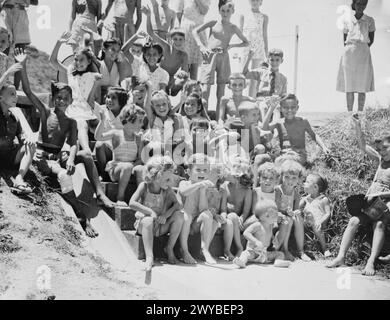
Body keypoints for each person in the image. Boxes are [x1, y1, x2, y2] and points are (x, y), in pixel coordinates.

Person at [18, 49, 115, 212]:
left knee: (85, 154)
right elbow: (28, 91)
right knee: (63, 175)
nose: (61, 101)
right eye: (58, 97)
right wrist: (22, 65)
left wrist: (71, 159)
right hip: (44, 156)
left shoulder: (71, 121)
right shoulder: (46, 112)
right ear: (53, 98)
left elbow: (73, 144)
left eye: (65, 98)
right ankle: (78, 210)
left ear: (71, 101)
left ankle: (99, 192)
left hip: (60, 156)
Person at [327, 115, 390, 276]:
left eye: (385, 148)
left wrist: (379, 194)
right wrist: (358, 126)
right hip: (372, 203)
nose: (382, 152)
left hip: (385, 203)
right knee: (353, 220)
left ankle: (371, 261)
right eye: (380, 149)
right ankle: (341, 256)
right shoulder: (380, 160)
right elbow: (362, 145)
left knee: (379, 224)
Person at [193, 0, 249, 117]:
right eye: (222, 10)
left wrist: (232, 45)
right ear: (219, 10)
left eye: (228, 10)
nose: (225, 13)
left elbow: (246, 42)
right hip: (210, 57)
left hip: (223, 57)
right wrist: (202, 47)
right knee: (205, 91)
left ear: (232, 11)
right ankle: (203, 118)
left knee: (221, 93)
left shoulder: (233, 27)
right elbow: (195, 31)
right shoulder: (213, 22)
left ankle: (219, 119)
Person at [129, 155, 184, 271]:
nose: (170, 183)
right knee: (148, 220)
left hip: (160, 226)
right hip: (144, 225)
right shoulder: (144, 186)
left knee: (179, 216)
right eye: (167, 179)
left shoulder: (167, 190)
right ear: (157, 176)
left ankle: (169, 248)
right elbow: (131, 203)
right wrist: (150, 211)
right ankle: (150, 256)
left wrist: (166, 215)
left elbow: (178, 204)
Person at [50, 32, 101, 154]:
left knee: (81, 123)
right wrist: (59, 43)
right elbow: (52, 61)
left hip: (84, 108)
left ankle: (86, 149)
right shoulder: (70, 73)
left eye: (81, 60)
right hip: (70, 107)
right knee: (72, 123)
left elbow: (96, 65)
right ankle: (71, 149)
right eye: (76, 60)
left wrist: (87, 46)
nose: (78, 63)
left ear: (89, 61)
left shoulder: (94, 75)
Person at [95, 104, 145, 206]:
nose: (142, 124)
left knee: (140, 169)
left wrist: (133, 167)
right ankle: (120, 197)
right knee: (127, 167)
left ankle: (140, 199)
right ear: (129, 120)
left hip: (131, 169)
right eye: (139, 121)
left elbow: (140, 159)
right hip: (116, 169)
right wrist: (102, 120)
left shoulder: (139, 138)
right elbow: (98, 137)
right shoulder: (116, 133)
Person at [178, 154, 223, 264]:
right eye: (198, 170)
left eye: (205, 170)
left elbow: (203, 209)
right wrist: (198, 185)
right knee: (187, 216)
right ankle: (184, 251)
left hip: (195, 225)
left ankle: (204, 249)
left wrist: (202, 190)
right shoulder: (184, 183)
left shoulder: (206, 187)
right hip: (183, 223)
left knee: (209, 216)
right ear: (188, 172)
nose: (202, 173)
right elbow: (184, 192)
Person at [262, 94, 331, 166]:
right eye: (285, 107)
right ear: (281, 109)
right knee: (270, 160)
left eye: (293, 107)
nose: (289, 110)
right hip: (284, 155)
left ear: (297, 108)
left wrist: (324, 147)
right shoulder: (279, 123)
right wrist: (272, 107)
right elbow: (264, 127)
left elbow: (314, 135)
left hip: (299, 155)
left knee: (281, 162)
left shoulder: (302, 121)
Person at [336, 0, 375, 112]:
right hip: (349, 54)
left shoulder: (370, 20)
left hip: (363, 54)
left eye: (363, 4)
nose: (361, 6)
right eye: (358, 3)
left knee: (362, 86)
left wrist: (361, 47)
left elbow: (371, 40)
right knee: (350, 86)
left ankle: (360, 113)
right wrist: (352, 47)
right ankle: (350, 113)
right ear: (354, 4)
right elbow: (344, 39)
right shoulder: (346, 19)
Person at [142, 5, 189, 96]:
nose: (178, 42)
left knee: (185, 81)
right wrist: (148, 16)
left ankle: (176, 98)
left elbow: (184, 73)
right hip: (158, 75)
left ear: (184, 41)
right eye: (175, 39)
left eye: (180, 39)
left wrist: (181, 74)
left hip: (170, 79)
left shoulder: (183, 55)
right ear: (170, 40)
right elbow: (151, 33)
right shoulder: (166, 46)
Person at [0, 78, 35, 194]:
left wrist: (28, 140)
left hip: (8, 158)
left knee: (30, 146)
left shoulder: (14, 118)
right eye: (12, 94)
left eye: (16, 94)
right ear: (0, 97)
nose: (16, 97)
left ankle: (19, 179)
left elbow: (22, 137)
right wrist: (8, 72)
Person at [233, 200, 288, 268]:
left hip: (264, 253)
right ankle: (242, 261)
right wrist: (256, 241)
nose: (277, 215)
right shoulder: (257, 225)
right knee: (245, 253)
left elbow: (270, 234)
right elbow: (246, 233)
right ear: (267, 215)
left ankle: (278, 262)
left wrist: (274, 239)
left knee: (280, 254)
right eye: (275, 214)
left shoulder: (270, 225)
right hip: (253, 252)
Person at [274, 160, 309, 261]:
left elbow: (296, 209)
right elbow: (275, 208)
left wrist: (295, 212)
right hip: (278, 216)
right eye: (287, 177)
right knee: (288, 219)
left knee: (298, 218)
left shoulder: (296, 193)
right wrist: (286, 213)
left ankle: (301, 251)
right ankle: (284, 249)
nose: (290, 181)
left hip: (289, 216)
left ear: (298, 179)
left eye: (294, 178)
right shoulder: (278, 190)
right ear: (282, 177)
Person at [93, 86, 126, 179]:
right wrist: (102, 120)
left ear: (121, 100)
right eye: (108, 97)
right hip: (107, 146)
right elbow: (98, 135)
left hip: (122, 149)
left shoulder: (127, 112)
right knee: (99, 145)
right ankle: (104, 174)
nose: (109, 100)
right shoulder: (103, 110)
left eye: (113, 98)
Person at [174, 0, 211, 80]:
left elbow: (204, 11)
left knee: (195, 65)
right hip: (186, 30)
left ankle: (192, 89)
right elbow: (178, 13)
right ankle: (184, 89)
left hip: (198, 31)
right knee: (185, 63)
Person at [239, 0, 269, 98]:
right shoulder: (243, 15)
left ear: (261, 2)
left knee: (254, 77)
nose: (254, 2)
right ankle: (241, 99)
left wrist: (266, 51)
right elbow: (239, 33)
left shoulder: (264, 17)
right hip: (246, 48)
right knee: (243, 74)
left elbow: (264, 34)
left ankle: (252, 100)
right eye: (252, 0)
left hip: (258, 48)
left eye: (257, 0)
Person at [300, 173, 332, 258]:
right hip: (307, 222)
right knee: (299, 224)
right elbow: (298, 207)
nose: (304, 183)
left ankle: (324, 248)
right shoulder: (306, 198)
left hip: (318, 223)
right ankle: (302, 248)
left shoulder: (323, 199)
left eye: (307, 182)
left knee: (316, 226)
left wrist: (320, 222)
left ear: (315, 187)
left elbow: (327, 213)